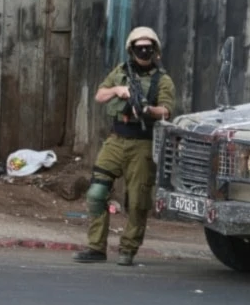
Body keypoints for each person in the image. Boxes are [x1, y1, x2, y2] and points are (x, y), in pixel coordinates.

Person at [73, 27, 176, 267]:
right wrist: (117, 90)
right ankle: (96, 247)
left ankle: (128, 249)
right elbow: (100, 95)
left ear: (155, 50)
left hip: (142, 143)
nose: (144, 52)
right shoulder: (120, 72)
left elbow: (167, 110)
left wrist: (147, 109)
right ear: (131, 50)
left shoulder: (163, 80)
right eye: (139, 48)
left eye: (148, 48)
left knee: (138, 201)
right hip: (116, 139)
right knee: (96, 193)